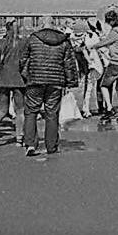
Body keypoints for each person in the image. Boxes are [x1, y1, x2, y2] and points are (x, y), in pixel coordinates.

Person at [20, 16, 78, 156]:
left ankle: (30, 144)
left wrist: (25, 76)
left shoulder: (33, 38)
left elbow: (23, 60)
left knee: (31, 112)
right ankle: (51, 146)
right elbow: (69, 63)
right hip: (56, 82)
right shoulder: (64, 40)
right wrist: (71, 82)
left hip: (35, 80)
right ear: (54, 24)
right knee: (52, 113)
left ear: (40, 24)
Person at [87, 9, 118, 123]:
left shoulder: (115, 32)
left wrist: (93, 46)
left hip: (115, 63)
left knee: (104, 85)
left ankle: (109, 108)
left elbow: (105, 42)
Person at [0, 20, 27, 146]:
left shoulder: (1, 43)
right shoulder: (23, 43)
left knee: (2, 110)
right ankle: (19, 137)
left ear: (6, 29)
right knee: (20, 110)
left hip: (3, 78)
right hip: (18, 79)